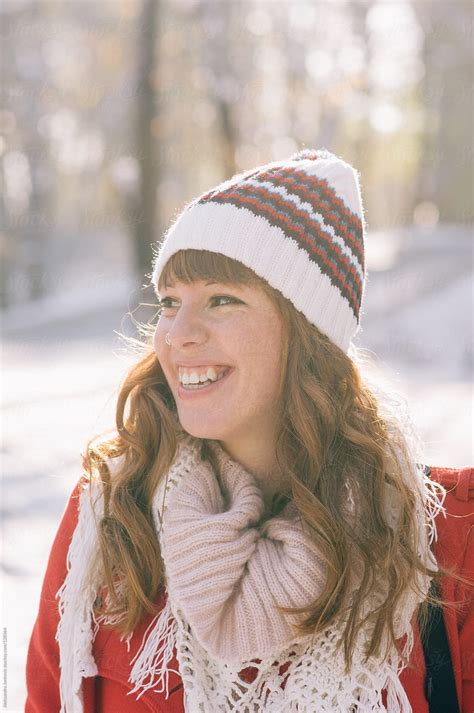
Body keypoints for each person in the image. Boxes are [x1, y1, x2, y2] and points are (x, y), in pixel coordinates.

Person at [25, 148, 473, 712]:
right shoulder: (112, 519)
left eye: (221, 300)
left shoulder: (445, 535)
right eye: (170, 303)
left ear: (307, 334)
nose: (178, 334)